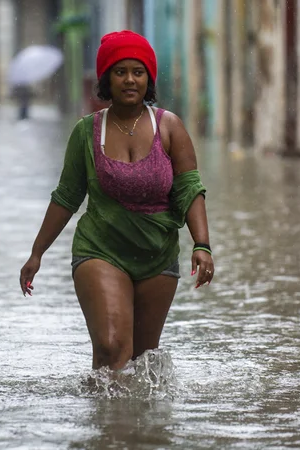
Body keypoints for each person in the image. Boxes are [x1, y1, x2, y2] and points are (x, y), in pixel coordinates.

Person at [19, 30, 214, 371]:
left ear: (148, 79)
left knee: (141, 362)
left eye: (137, 72)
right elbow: (66, 196)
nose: (129, 80)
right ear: (107, 78)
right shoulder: (86, 131)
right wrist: (37, 252)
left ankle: (128, 424)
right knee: (111, 347)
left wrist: (203, 244)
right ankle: (105, 421)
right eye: (120, 71)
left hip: (157, 254)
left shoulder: (169, 127)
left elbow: (189, 189)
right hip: (100, 249)